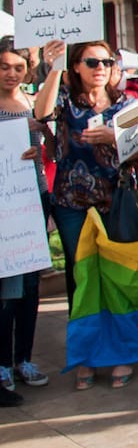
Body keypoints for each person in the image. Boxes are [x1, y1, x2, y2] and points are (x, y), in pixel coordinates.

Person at [33, 39, 138, 390]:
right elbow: (41, 114)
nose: (100, 66)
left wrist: (114, 138)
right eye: (91, 61)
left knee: (113, 277)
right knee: (82, 278)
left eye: (106, 60)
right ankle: (86, 355)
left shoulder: (127, 104)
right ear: (76, 66)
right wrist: (53, 67)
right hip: (72, 204)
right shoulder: (65, 101)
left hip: (114, 202)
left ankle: (118, 353)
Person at [0, 37, 52, 398]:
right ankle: (2, 362)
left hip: (32, 203)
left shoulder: (30, 103)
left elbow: (50, 137)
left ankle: (24, 359)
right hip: (5, 209)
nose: (11, 74)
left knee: (31, 288)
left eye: (18, 67)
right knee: (7, 291)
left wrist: (39, 145)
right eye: (4, 67)